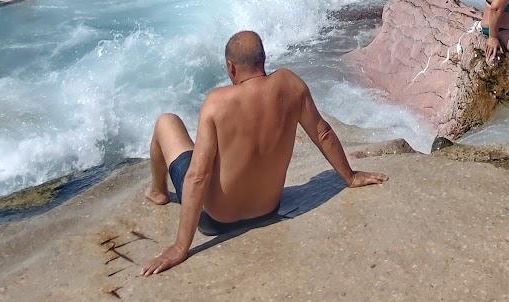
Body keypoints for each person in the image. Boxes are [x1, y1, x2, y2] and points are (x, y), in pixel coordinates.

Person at [142, 31, 387, 276]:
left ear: (231, 67)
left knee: (167, 122)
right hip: (268, 209)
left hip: (216, 220)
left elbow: (197, 176)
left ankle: (158, 192)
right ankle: (162, 191)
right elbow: (322, 133)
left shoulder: (217, 102)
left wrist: (179, 247)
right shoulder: (291, 85)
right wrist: (350, 177)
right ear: (263, 60)